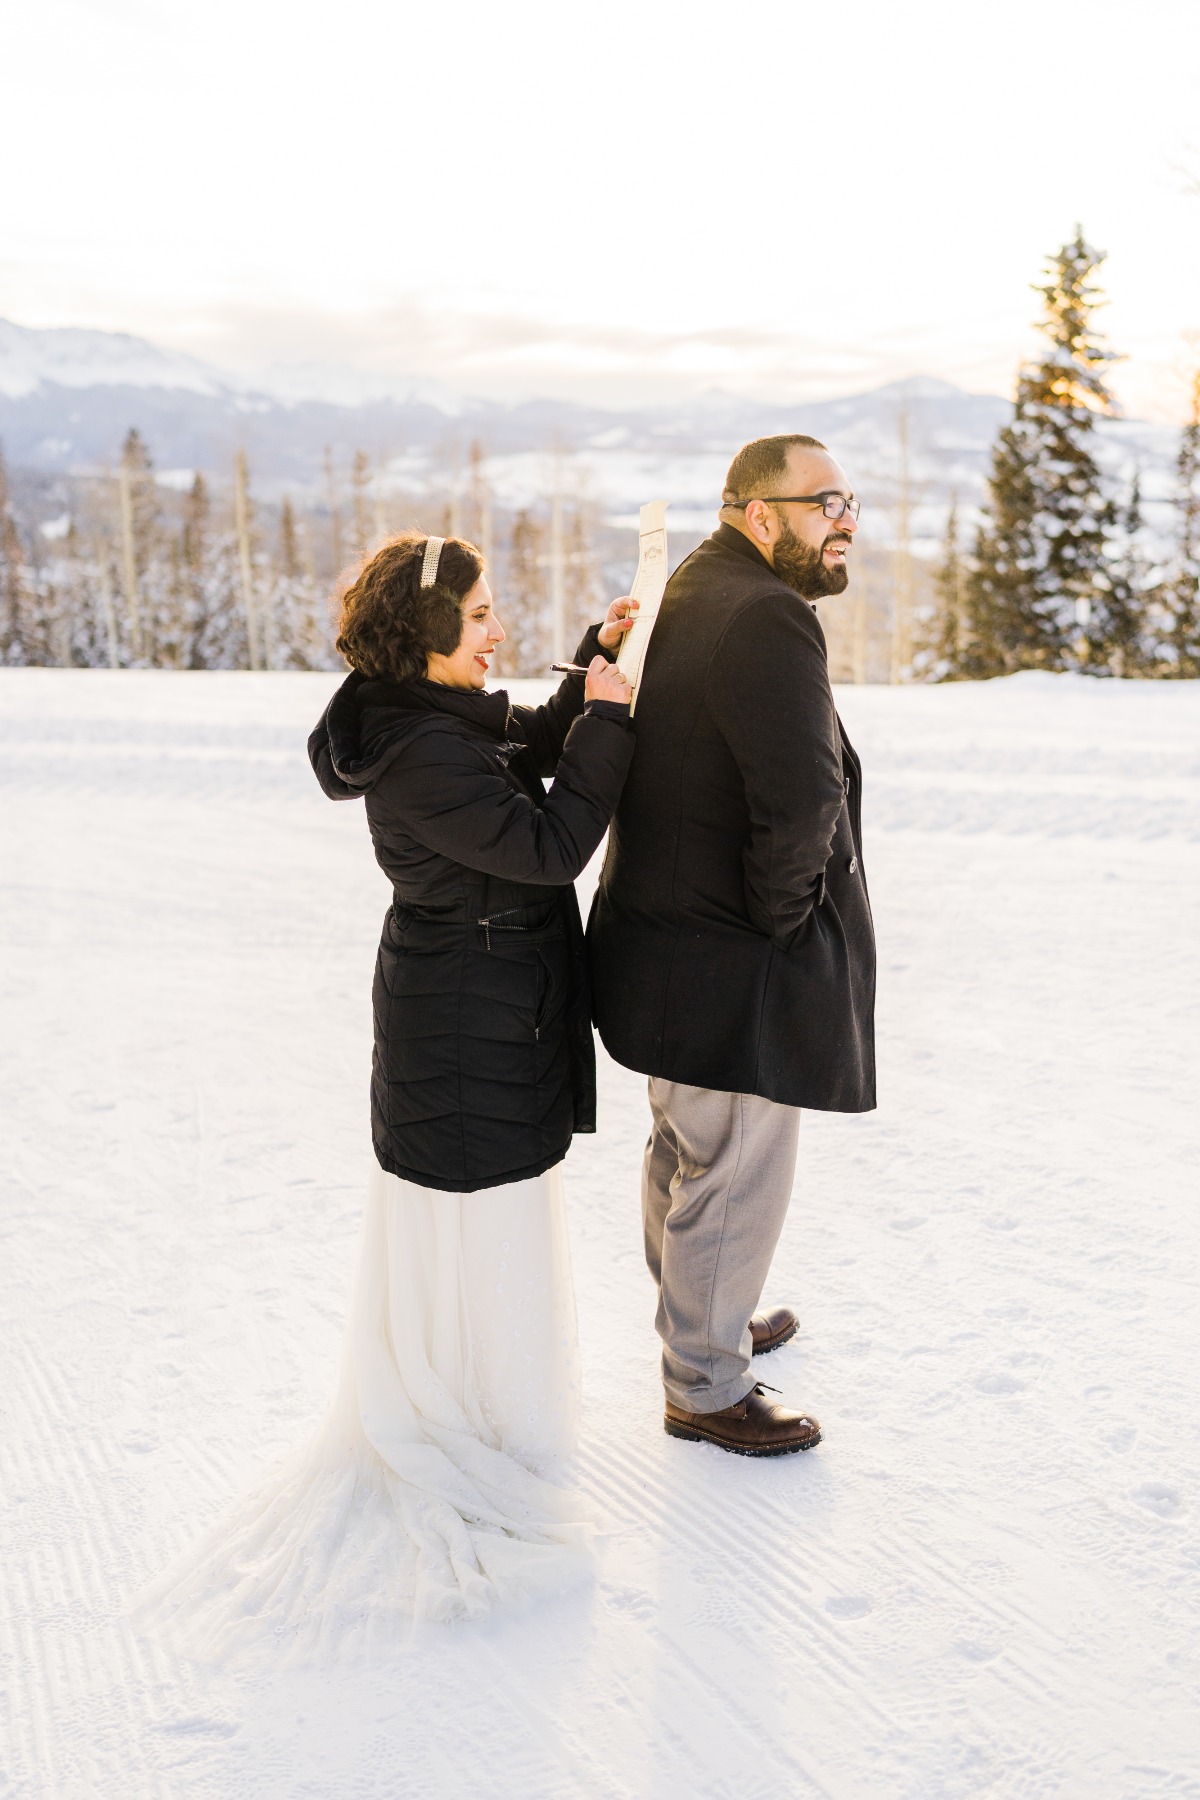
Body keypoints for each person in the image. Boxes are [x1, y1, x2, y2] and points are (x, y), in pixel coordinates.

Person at [142, 532, 634, 1655]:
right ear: (426, 639)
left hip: (479, 1013)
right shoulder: (417, 753)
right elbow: (552, 840)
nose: (495, 627)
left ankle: (495, 1403)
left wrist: (590, 663)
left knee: (496, 1219)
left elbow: (526, 736)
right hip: (462, 1029)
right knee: (479, 1220)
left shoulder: (435, 716)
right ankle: (472, 1416)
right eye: (480, 616)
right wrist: (611, 724)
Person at [588, 434, 876, 1457]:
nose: (846, 520)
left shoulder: (687, 587)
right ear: (759, 514)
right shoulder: (766, 615)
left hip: (659, 945)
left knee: (685, 1147)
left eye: (851, 502)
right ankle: (705, 1385)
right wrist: (785, 927)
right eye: (825, 503)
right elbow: (804, 800)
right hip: (726, 958)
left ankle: (704, 1312)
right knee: (736, 1163)